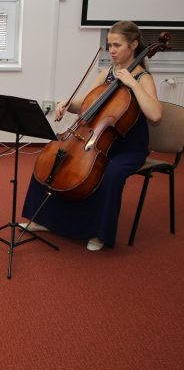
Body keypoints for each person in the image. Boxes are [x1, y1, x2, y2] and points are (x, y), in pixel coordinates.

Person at [21, 20, 162, 251]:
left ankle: (99, 233)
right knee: (53, 158)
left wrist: (133, 85)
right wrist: (68, 103)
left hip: (128, 146)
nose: (111, 50)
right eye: (109, 45)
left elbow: (155, 115)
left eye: (117, 45)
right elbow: (87, 103)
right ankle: (42, 219)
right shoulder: (107, 73)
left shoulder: (142, 78)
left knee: (112, 173)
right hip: (97, 140)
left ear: (133, 45)